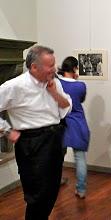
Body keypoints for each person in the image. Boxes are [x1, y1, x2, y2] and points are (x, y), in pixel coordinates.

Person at [0, 45, 72, 219]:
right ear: (34, 67)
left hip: (55, 139)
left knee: (52, 190)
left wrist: (54, 92)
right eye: (50, 65)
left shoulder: (55, 81)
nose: (54, 69)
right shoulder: (14, 86)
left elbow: (66, 107)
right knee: (36, 196)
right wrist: (8, 131)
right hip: (32, 143)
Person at [57, 56, 90, 199]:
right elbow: (81, 99)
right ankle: (81, 190)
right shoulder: (80, 85)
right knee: (80, 158)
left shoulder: (56, 83)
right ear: (75, 68)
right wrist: (76, 80)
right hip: (77, 122)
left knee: (58, 156)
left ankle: (56, 181)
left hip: (61, 122)